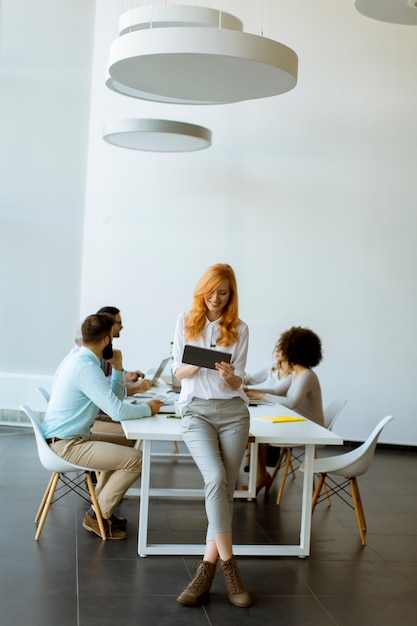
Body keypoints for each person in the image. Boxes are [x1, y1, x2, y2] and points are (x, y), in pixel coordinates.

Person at [42, 312, 163, 540]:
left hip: (69, 438)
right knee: (137, 460)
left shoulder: (85, 360)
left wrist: (117, 369)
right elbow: (116, 411)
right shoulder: (85, 368)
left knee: (127, 442)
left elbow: (114, 400)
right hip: (67, 445)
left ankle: (100, 510)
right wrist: (149, 409)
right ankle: (98, 515)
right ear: (108, 339)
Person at [172, 263, 252, 608]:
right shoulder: (185, 320)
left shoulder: (240, 329)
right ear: (201, 289)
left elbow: (239, 383)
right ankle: (230, 566)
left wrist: (229, 375)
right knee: (216, 478)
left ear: (230, 295)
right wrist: (199, 363)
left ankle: (206, 568)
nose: (216, 299)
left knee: (224, 489)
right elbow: (178, 372)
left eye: (223, 293)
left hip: (234, 413)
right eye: (211, 291)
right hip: (195, 412)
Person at [244, 326, 324, 498]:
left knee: (257, 434)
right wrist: (249, 390)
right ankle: (259, 477)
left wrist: (259, 395)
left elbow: (292, 402)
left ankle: (259, 478)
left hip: (309, 429)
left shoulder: (307, 375)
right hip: (299, 424)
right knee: (255, 432)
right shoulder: (296, 373)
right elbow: (278, 391)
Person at [97, 306, 152, 395]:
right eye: (119, 323)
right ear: (109, 325)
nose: (122, 327)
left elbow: (109, 373)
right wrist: (123, 378)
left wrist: (128, 374)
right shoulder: (95, 352)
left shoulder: (108, 348)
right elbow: (99, 384)